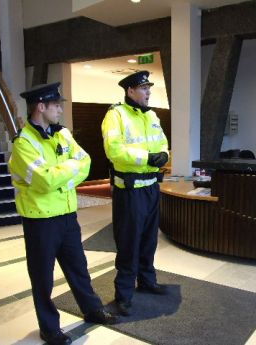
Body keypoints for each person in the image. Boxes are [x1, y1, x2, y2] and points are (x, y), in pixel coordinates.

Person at [9, 82, 117, 345]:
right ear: (41, 106)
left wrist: (61, 174)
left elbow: (87, 163)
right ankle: (49, 328)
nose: (60, 109)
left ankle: (92, 309)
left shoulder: (62, 135)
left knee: (78, 268)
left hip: (68, 215)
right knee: (43, 278)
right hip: (40, 220)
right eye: (56, 105)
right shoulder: (24, 144)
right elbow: (44, 181)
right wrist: (69, 171)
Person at [101, 70, 169, 317]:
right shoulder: (115, 115)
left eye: (149, 88)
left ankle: (147, 281)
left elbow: (162, 143)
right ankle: (123, 295)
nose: (149, 92)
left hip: (151, 187)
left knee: (149, 240)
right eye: (144, 88)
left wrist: (165, 155)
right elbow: (114, 151)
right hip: (129, 191)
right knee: (129, 243)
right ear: (130, 91)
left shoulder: (151, 115)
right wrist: (148, 158)